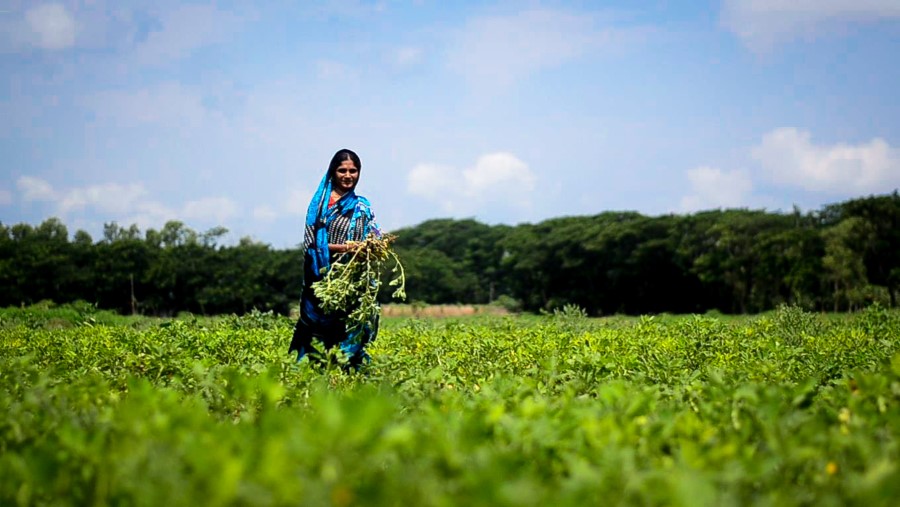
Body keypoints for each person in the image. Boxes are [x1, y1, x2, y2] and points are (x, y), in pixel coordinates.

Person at [289, 148, 381, 370]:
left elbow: (373, 232)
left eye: (353, 170)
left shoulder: (362, 206)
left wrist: (374, 244)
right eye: (342, 170)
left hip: (353, 279)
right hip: (324, 279)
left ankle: (349, 372)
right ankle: (311, 373)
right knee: (316, 331)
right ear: (333, 172)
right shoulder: (320, 206)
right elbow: (311, 243)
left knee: (352, 326)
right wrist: (345, 248)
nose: (348, 175)